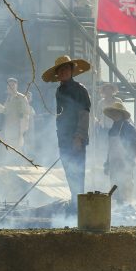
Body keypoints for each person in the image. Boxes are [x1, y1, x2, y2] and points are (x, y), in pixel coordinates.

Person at [42, 55, 92, 210]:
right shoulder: (59, 91)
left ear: (72, 71)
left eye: (66, 69)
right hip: (63, 138)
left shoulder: (79, 90)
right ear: (58, 74)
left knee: (77, 170)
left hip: (75, 138)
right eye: (61, 70)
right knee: (69, 171)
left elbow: (84, 115)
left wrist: (79, 136)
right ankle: (74, 201)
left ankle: (78, 205)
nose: (63, 72)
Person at [102, 101, 136, 206]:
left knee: (125, 188)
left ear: (122, 114)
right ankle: (119, 208)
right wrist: (107, 164)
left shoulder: (128, 127)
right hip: (114, 163)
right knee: (115, 188)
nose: (114, 114)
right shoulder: (112, 129)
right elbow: (110, 149)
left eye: (116, 112)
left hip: (125, 163)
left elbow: (135, 145)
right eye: (113, 112)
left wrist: (130, 160)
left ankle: (128, 209)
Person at [0, 78, 30, 159]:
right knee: (10, 145)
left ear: (16, 86)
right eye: (9, 85)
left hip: (18, 126)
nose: (10, 87)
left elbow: (26, 113)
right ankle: (11, 162)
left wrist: (23, 128)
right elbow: (5, 111)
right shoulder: (9, 99)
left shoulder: (22, 98)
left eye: (13, 85)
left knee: (18, 146)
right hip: (9, 126)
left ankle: (20, 163)